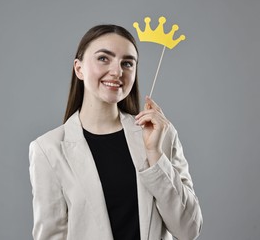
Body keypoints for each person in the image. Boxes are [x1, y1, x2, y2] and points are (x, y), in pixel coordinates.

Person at [29, 24, 203, 240]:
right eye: (103, 58)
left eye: (127, 63)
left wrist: (154, 154)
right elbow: (51, 235)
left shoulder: (161, 135)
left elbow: (189, 231)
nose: (117, 71)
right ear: (79, 68)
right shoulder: (48, 149)